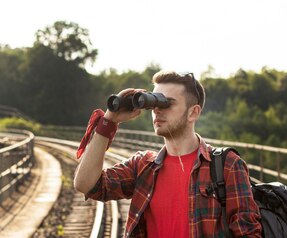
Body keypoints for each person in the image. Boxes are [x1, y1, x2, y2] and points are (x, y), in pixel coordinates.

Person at [73, 70, 261, 237]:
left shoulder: (226, 165)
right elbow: (86, 184)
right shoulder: (143, 165)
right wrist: (109, 120)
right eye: (154, 102)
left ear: (193, 113)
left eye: (166, 103)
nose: (157, 109)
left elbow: (247, 233)